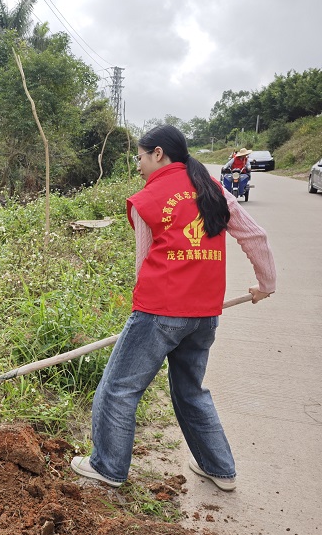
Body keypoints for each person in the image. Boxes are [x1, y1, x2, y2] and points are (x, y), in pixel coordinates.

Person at [71, 125, 276, 492]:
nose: (138, 166)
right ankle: (220, 470)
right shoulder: (213, 188)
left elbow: (143, 264)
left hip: (159, 312)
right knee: (190, 391)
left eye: (140, 157)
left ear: (159, 154)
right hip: (205, 314)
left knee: (118, 389)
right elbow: (255, 235)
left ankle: (108, 467)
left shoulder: (149, 199)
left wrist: (141, 313)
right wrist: (266, 284)